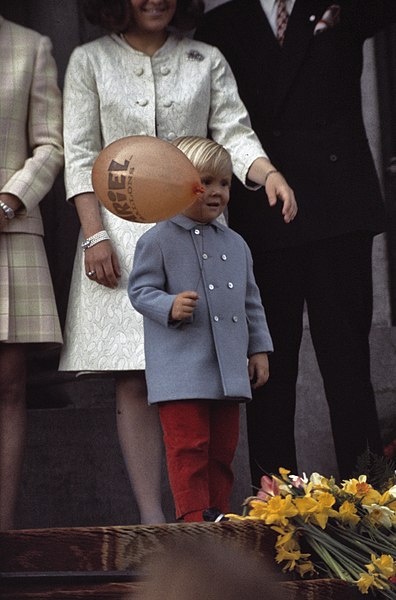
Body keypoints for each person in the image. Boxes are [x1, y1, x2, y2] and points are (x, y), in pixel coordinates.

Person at [59, 0, 296, 524]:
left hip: (200, 236)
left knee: (203, 371)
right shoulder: (89, 60)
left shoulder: (204, 58)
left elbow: (232, 129)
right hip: (118, 236)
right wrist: (92, 236)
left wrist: (267, 172)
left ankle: (205, 515)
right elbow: (79, 151)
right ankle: (153, 520)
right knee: (135, 373)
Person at [196, 0, 396, 484]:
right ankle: (275, 517)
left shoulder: (343, 6)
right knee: (269, 372)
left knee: (349, 369)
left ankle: (373, 507)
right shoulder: (221, 24)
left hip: (338, 211)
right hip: (262, 217)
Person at [128, 136, 274, 522]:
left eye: (224, 184)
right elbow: (139, 291)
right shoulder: (156, 238)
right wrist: (169, 306)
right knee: (188, 448)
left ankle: (219, 517)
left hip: (227, 370)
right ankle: (193, 520)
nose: (217, 192)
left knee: (222, 451)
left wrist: (258, 350)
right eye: (205, 182)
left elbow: (250, 301)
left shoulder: (237, 244)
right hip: (180, 371)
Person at [0, 15, 63, 530]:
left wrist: (10, 199)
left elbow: (51, 144)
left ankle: (4, 532)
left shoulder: (30, 45)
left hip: (9, 229)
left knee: (9, 386)